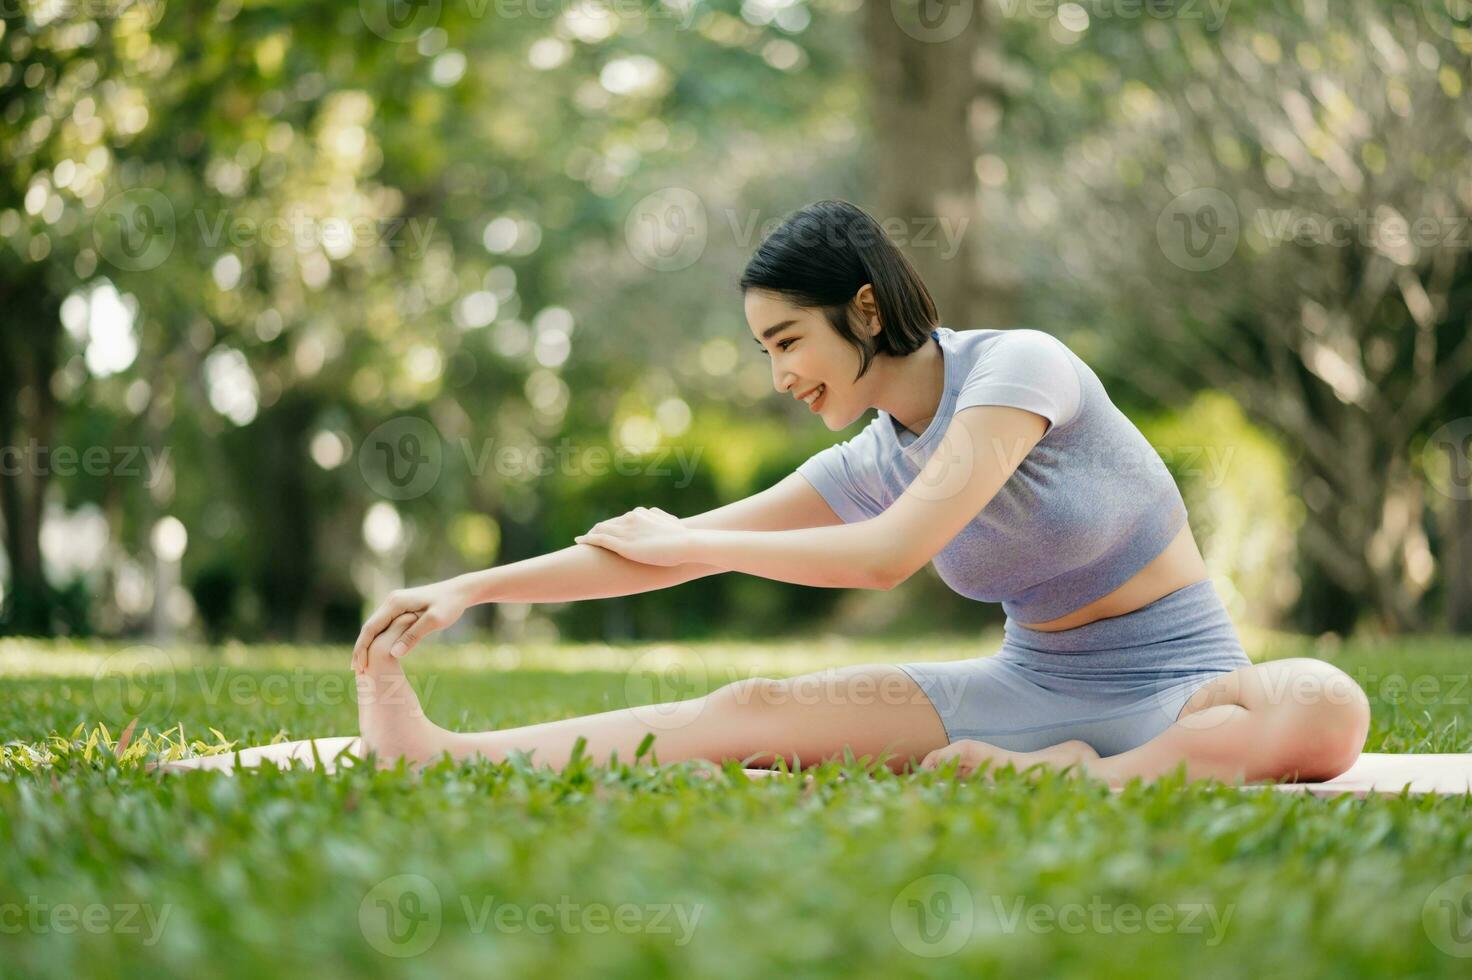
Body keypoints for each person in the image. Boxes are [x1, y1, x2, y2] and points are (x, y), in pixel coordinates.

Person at [164, 200, 1371, 788]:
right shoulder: (864, 451)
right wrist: (464, 586)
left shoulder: (1019, 369)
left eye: (786, 340)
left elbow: (890, 554)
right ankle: (444, 752)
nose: (781, 374)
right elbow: (655, 550)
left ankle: (1073, 781)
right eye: (762, 351)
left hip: (1183, 677)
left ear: (862, 308)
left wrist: (704, 543)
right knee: (749, 700)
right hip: (1032, 686)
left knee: (1325, 711)